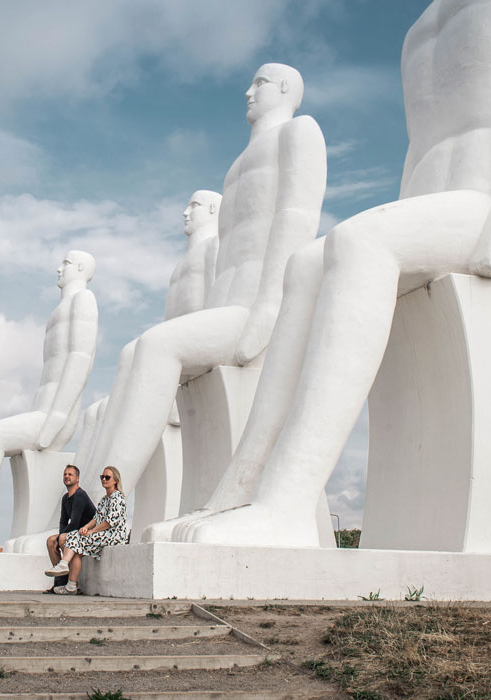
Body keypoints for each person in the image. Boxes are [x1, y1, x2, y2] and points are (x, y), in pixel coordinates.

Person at [166, 0, 491, 547]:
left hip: (489, 202)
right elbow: (421, 144)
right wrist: (405, 227)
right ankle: (238, 493)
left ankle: (286, 507)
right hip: (434, 213)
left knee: (358, 242)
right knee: (308, 262)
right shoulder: (419, 33)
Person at [79, 64, 325, 497]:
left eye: (260, 83)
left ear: (285, 87)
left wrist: (269, 309)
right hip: (225, 311)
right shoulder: (235, 169)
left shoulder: (298, 133)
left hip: (251, 312)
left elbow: (296, 219)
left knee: (158, 345)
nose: (249, 92)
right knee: (138, 351)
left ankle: (106, 506)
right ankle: (91, 504)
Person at [0, 250, 99, 563]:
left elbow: (81, 360)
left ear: (80, 268)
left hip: (55, 416)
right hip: (43, 410)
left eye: (65, 263)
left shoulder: (83, 300)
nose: (58, 268)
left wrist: (57, 418)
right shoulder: (59, 311)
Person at [44, 466, 130, 594]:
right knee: (76, 544)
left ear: (115, 480)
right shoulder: (104, 500)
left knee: (73, 538)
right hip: (103, 533)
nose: (104, 479)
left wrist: (92, 531)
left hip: (114, 535)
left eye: (107, 477)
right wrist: (86, 527)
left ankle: (63, 564)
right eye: (102, 477)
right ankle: (71, 586)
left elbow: (109, 522)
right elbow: (96, 518)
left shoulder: (118, 498)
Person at [45, 464, 95, 593]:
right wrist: (58, 538)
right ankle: (59, 583)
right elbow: (63, 521)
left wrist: (60, 538)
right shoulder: (65, 498)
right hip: (75, 532)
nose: (67, 476)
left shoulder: (79, 495)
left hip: (87, 532)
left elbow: (75, 522)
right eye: (65, 474)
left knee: (61, 539)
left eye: (70, 474)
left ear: (77, 478)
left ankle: (71, 584)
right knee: (51, 541)